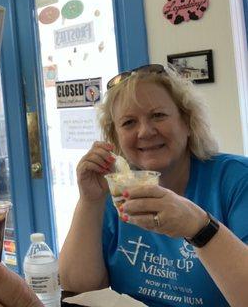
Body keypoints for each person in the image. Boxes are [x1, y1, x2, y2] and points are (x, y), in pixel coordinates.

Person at [59, 64, 248, 306]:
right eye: (128, 123)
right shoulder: (114, 190)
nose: (145, 131)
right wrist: (90, 201)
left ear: (187, 122)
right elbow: (78, 287)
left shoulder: (236, 180)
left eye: (158, 115)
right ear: (115, 137)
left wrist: (197, 226)